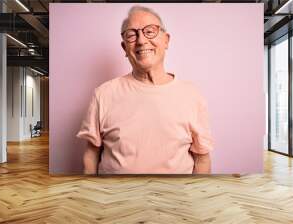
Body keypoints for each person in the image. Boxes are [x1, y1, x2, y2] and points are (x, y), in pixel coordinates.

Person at [77, 5, 213, 174]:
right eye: (132, 35)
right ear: (125, 48)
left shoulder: (192, 95)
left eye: (150, 31)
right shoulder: (103, 94)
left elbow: (202, 158)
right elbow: (91, 154)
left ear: (166, 40)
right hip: (114, 199)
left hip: (177, 198)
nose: (141, 41)